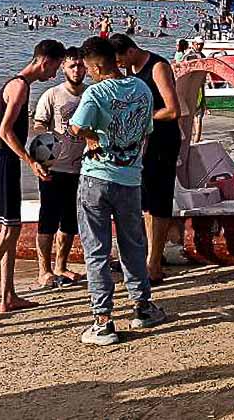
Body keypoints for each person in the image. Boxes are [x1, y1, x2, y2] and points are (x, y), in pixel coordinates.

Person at [70, 36, 168, 345]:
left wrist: (89, 136)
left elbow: (75, 127)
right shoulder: (142, 87)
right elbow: (147, 132)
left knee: (96, 248)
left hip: (96, 177)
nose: (87, 74)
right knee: (133, 245)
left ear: (98, 66)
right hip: (130, 177)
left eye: (88, 68)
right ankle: (142, 306)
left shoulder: (95, 93)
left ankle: (103, 319)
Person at [0, 39, 66, 317]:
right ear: (44, 61)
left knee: (13, 227)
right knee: (9, 230)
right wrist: (31, 161)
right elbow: (6, 132)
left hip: (3, 159)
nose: (54, 75)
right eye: (55, 68)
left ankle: (8, 295)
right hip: (2, 159)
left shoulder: (19, 84)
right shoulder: (20, 86)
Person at [109, 34, 183, 284]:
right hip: (143, 143)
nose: (119, 66)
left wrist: (143, 117)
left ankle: (154, 261)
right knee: (145, 202)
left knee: (159, 200)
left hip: (163, 141)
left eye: (119, 61)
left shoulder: (158, 67)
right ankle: (147, 256)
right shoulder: (130, 71)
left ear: (131, 51)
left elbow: (173, 110)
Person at [32, 46, 88, 288]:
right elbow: (38, 125)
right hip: (53, 169)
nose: (77, 70)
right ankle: (44, 270)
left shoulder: (91, 94)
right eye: (72, 65)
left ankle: (62, 266)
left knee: (70, 221)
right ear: (63, 67)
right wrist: (43, 151)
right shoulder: (52, 95)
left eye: (81, 65)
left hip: (82, 168)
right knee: (48, 219)